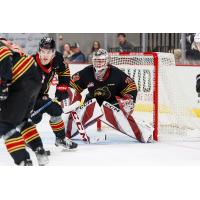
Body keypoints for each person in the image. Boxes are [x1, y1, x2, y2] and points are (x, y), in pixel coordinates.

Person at [69, 49, 152, 142]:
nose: (98, 64)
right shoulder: (86, 72)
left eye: (101, 61)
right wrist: (72, 102)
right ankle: (66, 131)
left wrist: (129, 99)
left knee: (116, 115)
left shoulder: (116, 74)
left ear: (107, 61)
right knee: (71, 128)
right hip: (92, 100)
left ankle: (144, 132)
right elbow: (72, 85)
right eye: (96, 61)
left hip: (112, 101)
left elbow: (131, 85)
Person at [0, 37, 48, 166]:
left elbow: (3, 53)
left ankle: (23, 160)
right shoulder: (9, 45)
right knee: (22, 121)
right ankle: (39, 150)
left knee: (5, 125)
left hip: (21, 79)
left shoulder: (2, 46)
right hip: (32, 79)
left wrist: (4, 84)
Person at [31, 37, 78, 150]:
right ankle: (29, 139)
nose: (45, 55)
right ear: (39, 51)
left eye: (49, 52)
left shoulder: (57, 58)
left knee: (56, 110)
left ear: (53, 52)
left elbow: (64, 72)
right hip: (29, 97)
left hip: (43, 95)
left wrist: (62, 88)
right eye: (43, 51)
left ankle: (60, 139)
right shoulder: (30, 62)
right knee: (35, 119)